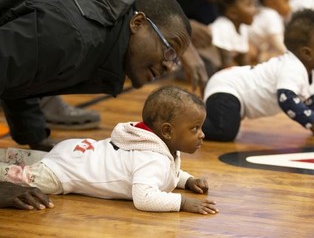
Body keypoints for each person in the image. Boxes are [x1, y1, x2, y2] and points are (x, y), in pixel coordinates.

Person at [0, 0, 192, 150]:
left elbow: (20, 70)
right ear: (137, 22)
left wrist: (35, 138)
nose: (169, 67)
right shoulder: (72, 36)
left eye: (175, 60)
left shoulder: (100, 41)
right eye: (169, 50)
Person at [0, 86, 219, 215]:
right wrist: (182, 203)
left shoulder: (152, 144)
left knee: (26, 157)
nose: (202, 134)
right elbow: (144, 198)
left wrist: (187, 181)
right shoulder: (151, 158)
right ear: (168, 131)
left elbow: (166, 174)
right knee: (18, 177)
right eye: (195, 129)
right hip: (61, 173)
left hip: (75, 150)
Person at [202, 9, 314, 141]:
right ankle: (186, 125)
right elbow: (286, 99)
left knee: (228, 125)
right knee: (224, 131)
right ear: (307, 53)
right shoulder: (292, 68)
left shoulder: (310, 72)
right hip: (226, 88)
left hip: (230, 90)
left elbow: (310, 100)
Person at [209, 0, 256, 69]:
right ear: (233, 13)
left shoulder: (243, 28)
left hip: (215, 67)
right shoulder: (223, 27)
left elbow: (243, 60)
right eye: (249, 5)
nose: (254, 9)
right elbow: (227, 63)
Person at [248, 0, 293, 64]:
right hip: (250, 48)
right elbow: (277, 42)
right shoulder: (271, 15)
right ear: (272, 2)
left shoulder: (267, 13)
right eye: (286, 1)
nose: (290, 6)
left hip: (257, 48)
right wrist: (291, 55)